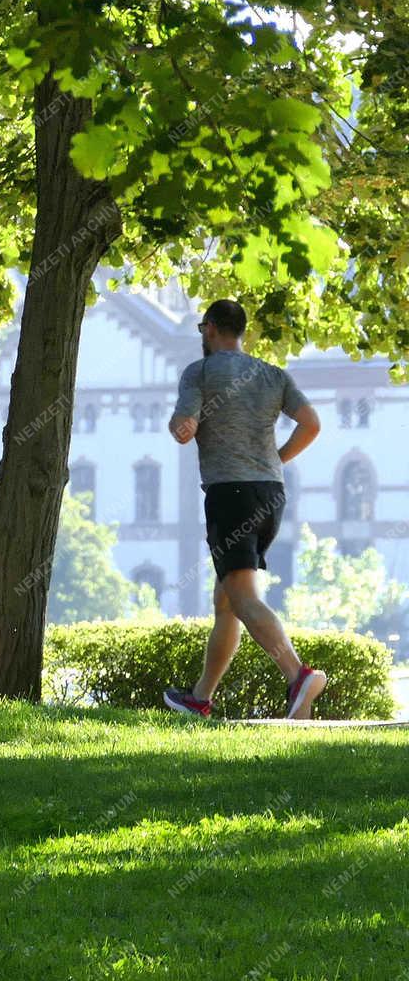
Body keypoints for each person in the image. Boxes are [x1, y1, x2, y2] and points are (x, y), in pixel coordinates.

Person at [162, 299, 326, 721]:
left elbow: (185, 429)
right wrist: (277, 460)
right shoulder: (273, 374)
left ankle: (297, 676)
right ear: (243, 331)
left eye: (204, 328)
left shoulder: (199, 372)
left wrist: (181, 425)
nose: (202, 334)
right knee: (226, 601)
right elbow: (311, 424)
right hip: (271, 494)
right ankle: (200, 697)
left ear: (211, 329)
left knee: (243, 597)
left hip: (230, 494)